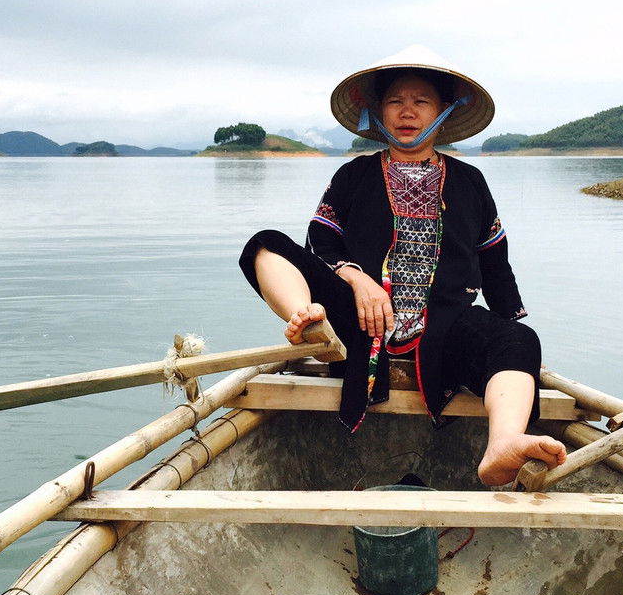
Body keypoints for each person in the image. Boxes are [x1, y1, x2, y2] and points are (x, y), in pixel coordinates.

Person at [238, 46, 566, 486]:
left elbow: (495, 262)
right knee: (265, 244)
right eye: (395, 101)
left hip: (446, 328)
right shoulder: (353, 175)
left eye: (421, 101)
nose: (406, 112)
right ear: (379, 113)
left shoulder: (470, 181)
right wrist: (355, 278)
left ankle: (503, 443)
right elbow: (321, 240)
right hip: (355, 323)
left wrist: (512, 344)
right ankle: (309, 321)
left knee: (519, 340)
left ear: (444, 112)